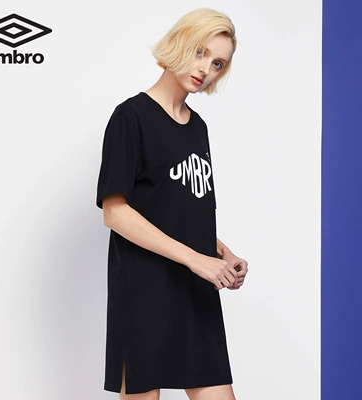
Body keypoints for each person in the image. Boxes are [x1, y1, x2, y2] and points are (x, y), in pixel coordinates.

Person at [96, 8, 248, 400]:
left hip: (195, 290)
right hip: (145, 290)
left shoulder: (198, 128)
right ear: (180, 42)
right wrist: (197, 260)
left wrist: (221, 253)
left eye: (218, 63)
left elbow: (180, 209)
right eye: (200, 52)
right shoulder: (131, 117)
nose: (206, 69)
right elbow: (115, 212)